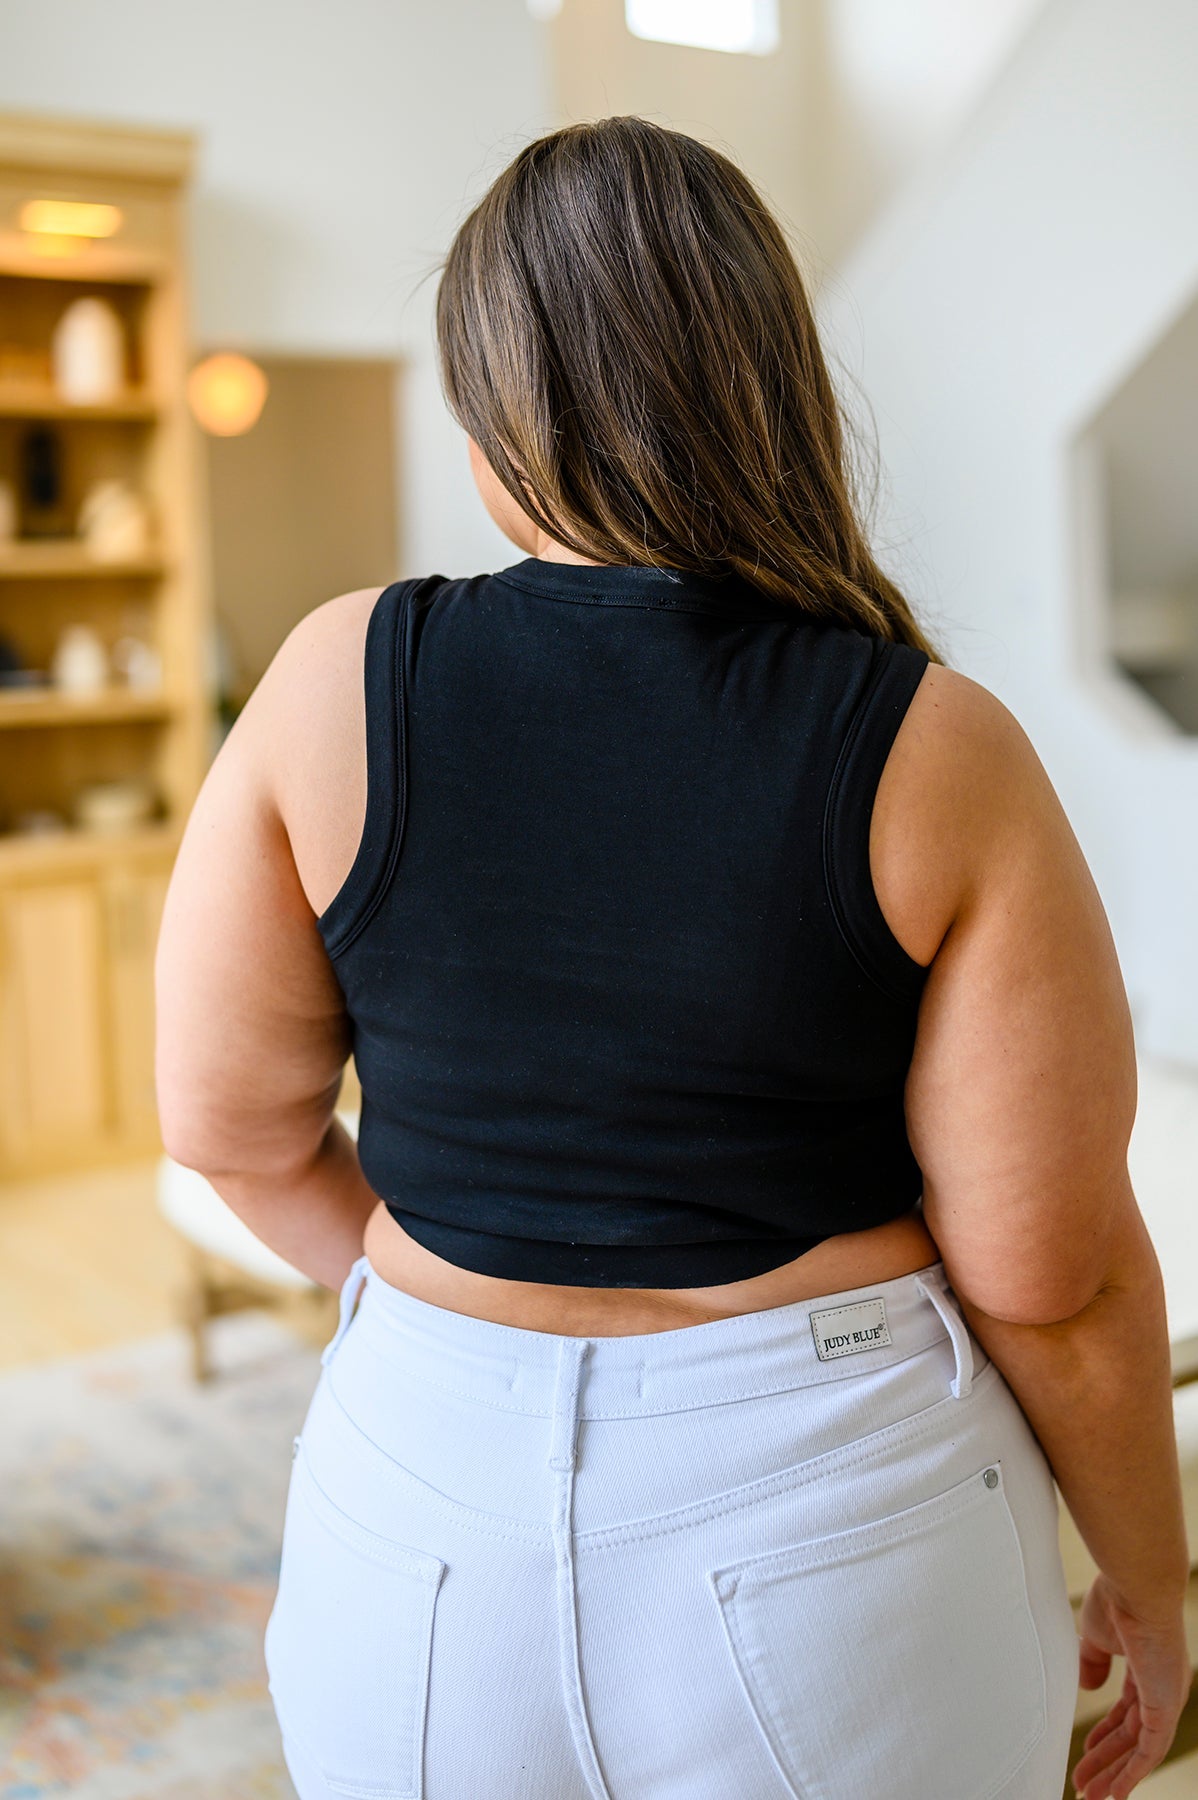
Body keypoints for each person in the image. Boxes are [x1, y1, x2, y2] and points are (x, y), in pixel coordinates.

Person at [154, 116, 1191, 1800]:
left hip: (412, 1520)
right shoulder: (936, 748)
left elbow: (227, 1130)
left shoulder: (327, 683)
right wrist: (1151, 1580)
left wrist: (465, 1341)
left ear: (494, 419)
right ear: (766, 384)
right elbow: (1049, 1285)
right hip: (833, 1522)